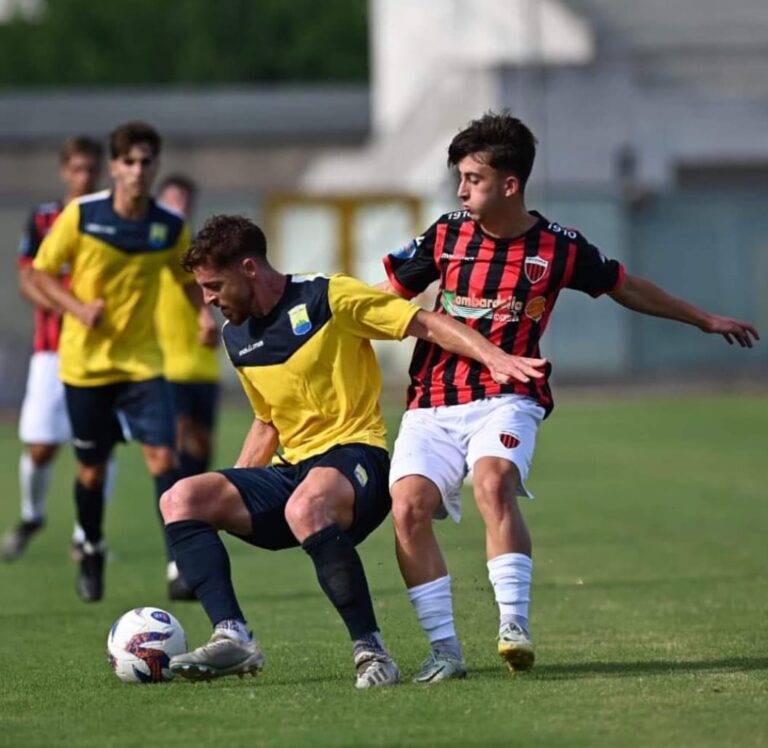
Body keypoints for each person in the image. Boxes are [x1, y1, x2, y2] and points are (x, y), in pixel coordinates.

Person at [379, 111, 759, 683]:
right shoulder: (444, 234)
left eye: (473, 178)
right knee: (406, 508)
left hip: (509, 394)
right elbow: (384, 299)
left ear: (510, 184)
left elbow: (624, 285)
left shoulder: (557, 247)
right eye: (460, 177)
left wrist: (701, 318)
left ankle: (512, 624)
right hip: (432, 398)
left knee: (493, 482)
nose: (461, 189)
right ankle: (444, 652)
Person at [158, 214, 546, 688]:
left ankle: (372, 652)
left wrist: (493, 357)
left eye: (214, 285)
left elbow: (422, 322)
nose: (208, 299)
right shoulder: (235, 337)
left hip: (357, 457)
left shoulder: (329, 295)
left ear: (249, 269)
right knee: (180, 498)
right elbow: (267, 422)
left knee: (306, 505)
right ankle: (233, 636)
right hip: (293, 470)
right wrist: (239, 487)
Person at [30, 121, 217, 602]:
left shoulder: (169, 226)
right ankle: (90, 545)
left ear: (155, 166)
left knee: (164, 459)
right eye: (128, 162)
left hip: (142, 365)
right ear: (114, 167)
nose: (137, 170)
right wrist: (76, 308)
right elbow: (42, 273)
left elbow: (185, 280)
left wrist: (203, 316)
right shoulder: (82, 216)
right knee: (91, 470)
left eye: (146, 161)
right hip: (85, 365)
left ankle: (178, 563)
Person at [1, 136, 110, 562]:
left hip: (104, 350)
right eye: (78, 168)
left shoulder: (115, 218)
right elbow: (28, 279)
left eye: (91, 168)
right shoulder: (45, 218)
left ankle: (88, 535)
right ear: (65, 170)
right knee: (41, 444)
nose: (85, 176)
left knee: (99, 443)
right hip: (52, 348)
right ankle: (32, 515)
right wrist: (72, 309)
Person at [155, 174, 221, 600]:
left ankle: (192, 555)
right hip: (164, 370)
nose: (177, 208)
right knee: (172, 461)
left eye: (184, 201)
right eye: (171, 201)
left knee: (197, 465)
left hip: (203, 371)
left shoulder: (203, 260)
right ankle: (175, 559)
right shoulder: (152, 255)